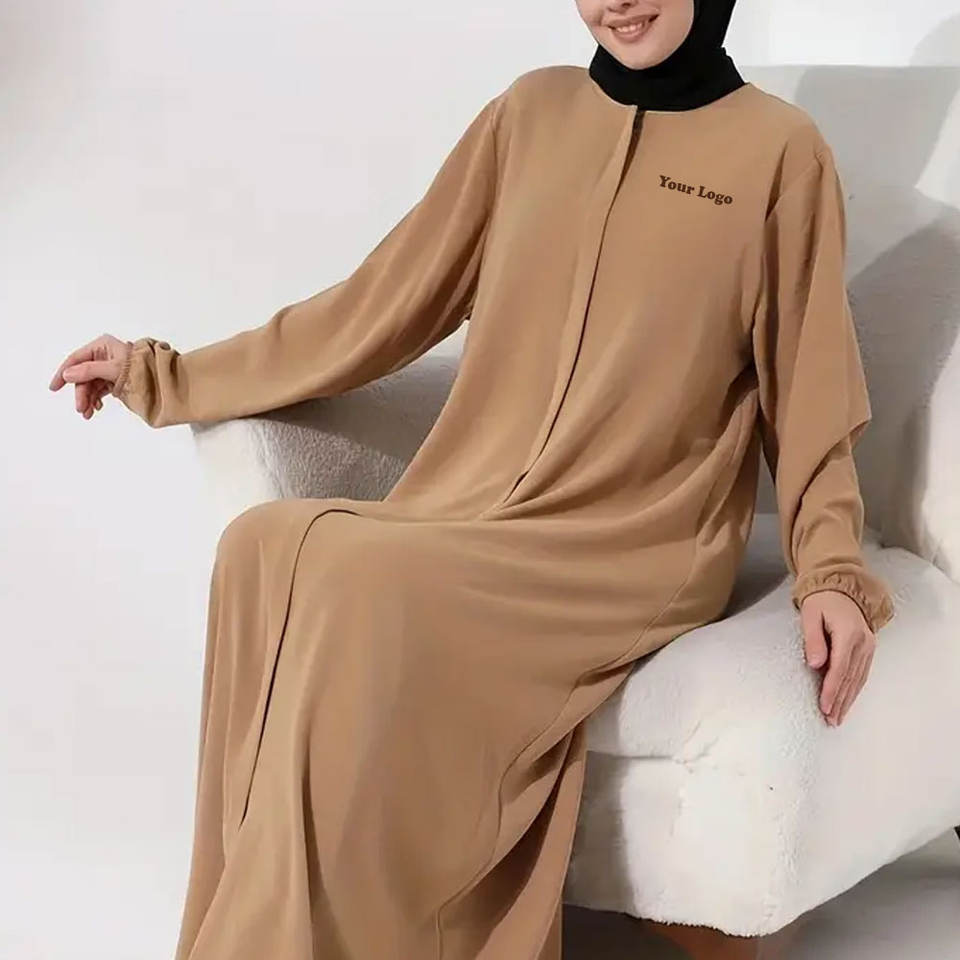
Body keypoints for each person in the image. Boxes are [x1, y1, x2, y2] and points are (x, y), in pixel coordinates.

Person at [48, 1, 897, 957]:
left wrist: (831, 572)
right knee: (261, 546)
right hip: (471, 499)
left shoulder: (780, 152)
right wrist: (166, 376)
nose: (617, 2)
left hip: (631, 542)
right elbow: (379, 304)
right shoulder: (528, 115)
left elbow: (809, 390)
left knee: (358, 579)